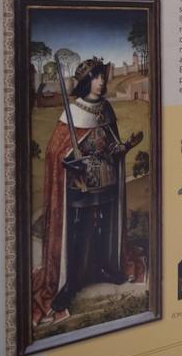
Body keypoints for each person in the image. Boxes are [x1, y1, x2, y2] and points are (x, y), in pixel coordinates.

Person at [32, 58, 143, 327]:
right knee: (79, 234)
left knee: (103, 229)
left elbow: (112, 145)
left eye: (101, 76)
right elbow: (55, 152)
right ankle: (69, 284)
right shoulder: (73, 111)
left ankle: (104, 266)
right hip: (79, 187)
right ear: (85, 82)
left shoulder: (105, 109)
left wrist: (125, 146)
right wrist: (71, 159)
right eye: (95, 77)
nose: (101, 81)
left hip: (105, 181)